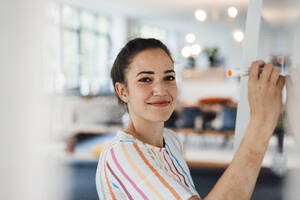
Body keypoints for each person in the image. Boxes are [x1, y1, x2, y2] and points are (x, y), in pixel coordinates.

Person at [95, 38, 285, 200]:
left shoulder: (171, 140)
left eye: (169, 77)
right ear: (122, 91)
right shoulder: (120, 153)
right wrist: (261, 122)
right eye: (145, 79)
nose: (161, 90)